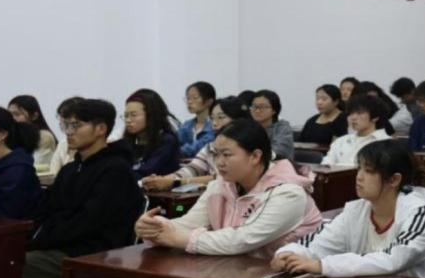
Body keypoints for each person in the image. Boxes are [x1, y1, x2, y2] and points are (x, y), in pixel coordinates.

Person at [134, 118, 322, 258]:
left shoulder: (289, 193)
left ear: (255, 156)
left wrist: (177, 238)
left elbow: (241, 240)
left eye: (227, 155)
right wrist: (154, 228)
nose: (219, 162)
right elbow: (189, 223)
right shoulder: (220, 185)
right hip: (237, 271)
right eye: (216, 154)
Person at [273, 140, 425, 278]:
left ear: (394, 180)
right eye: (359, 168)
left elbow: (393, 259)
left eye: (368, 171)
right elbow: (315, 243)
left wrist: (322, 266)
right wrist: (287, 254)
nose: (359, 177)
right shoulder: (356, 210)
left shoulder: (420, 211)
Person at [23, 99, 141, 278]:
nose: (68, 132)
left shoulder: (115, 171)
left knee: (2, 269)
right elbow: (45, 210)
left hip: (91, 254)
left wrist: (41, 240)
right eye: (65, 125)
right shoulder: (70, 169)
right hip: (58, 245)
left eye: (76, 125)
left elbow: (89, 222)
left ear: (101, 129)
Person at [140, 96, 247, 192]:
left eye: (221, 117)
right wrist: (161, 180)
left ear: (239, 119)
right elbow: (192, 169)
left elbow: (222, 178)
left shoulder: (245, 146)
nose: (214, 123)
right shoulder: (210, 147)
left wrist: (175, 182)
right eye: (212, 118)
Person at [123, 90, 180, 179]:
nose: (128, 120)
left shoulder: (166, 141)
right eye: (126, 115)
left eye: (133, 115)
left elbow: (146, 172)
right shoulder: (129, 141)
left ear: (151, 115)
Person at [322, 95, 391, 166]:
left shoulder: (386, 143)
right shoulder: (340, 141)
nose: (353, 117)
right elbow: (326, 166)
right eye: (351, 113)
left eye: (360, 113)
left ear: (375, 117)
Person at [7, 95, 56, 170]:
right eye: (9, 115)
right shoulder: (9, 136)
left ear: (34, 116)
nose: (12, 119)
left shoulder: (44, 136)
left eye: (17, 114)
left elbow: (37, 166)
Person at [248, 90, 295, 164]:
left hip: (278, 166)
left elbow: (280, 150)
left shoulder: (282, 128)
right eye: (254, 106)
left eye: (262, 107)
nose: (257, 111)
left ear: (274, 110)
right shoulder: (248, 127)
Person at [176, 81, 216, 158]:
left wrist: (172, 152)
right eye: (188, 98)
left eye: (195, 98)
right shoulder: (187, 125)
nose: (189, 102)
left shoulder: (214, 125)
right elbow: (174, 142)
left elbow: (199, 147)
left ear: (209, 102)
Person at [45, 97, 82, 175]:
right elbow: (54, 175)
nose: (68, 132)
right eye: (64, 125)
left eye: (74, 125)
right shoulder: (63, 144)